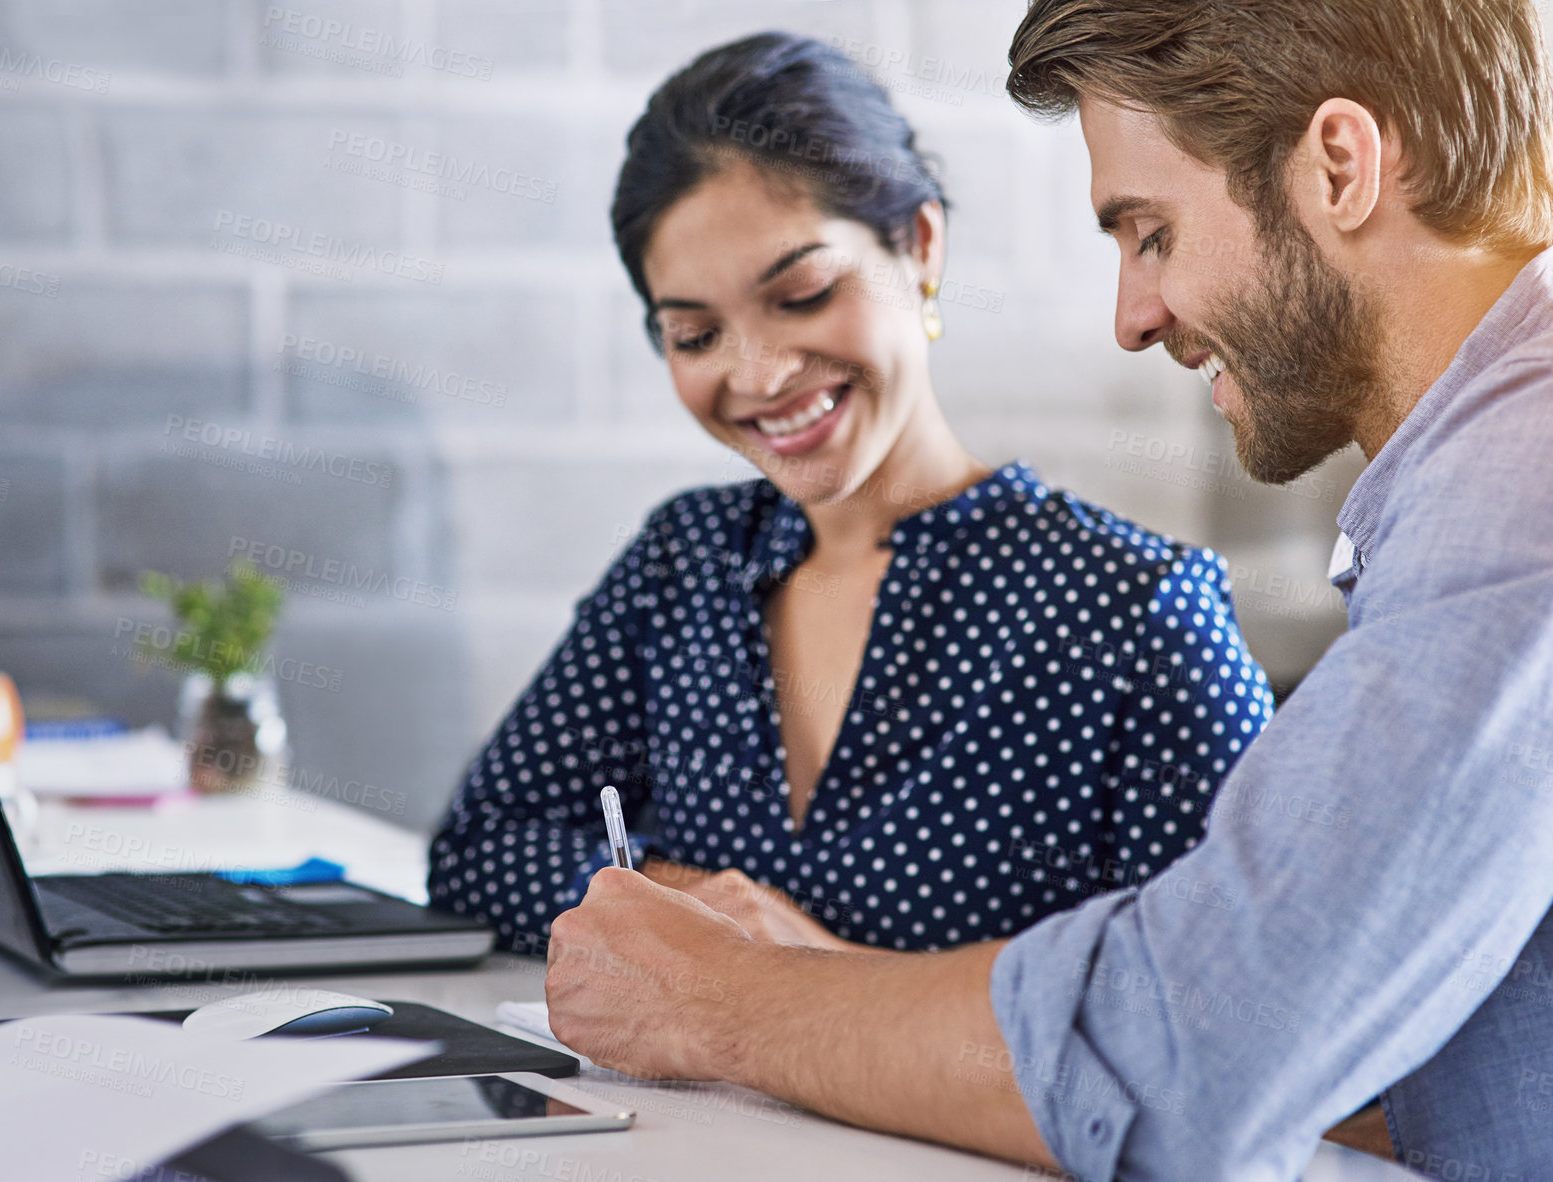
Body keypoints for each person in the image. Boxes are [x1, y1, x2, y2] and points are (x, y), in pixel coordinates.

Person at [540, 3, 1553, 1179]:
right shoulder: (1469, 482)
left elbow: (1184, 1060)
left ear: (1338, 164)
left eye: (1150, 233)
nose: (1130, 317)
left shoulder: (1512, 499)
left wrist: (725, 1000)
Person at [427, 33, 1271, 959]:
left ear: (918, 245)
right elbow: (479, 847)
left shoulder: (1137, 616)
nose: (759, 373)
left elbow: (1219, 1007)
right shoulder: (686, 562)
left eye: (802, 294)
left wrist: (818, 994)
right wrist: (705, 904)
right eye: (696, 335)